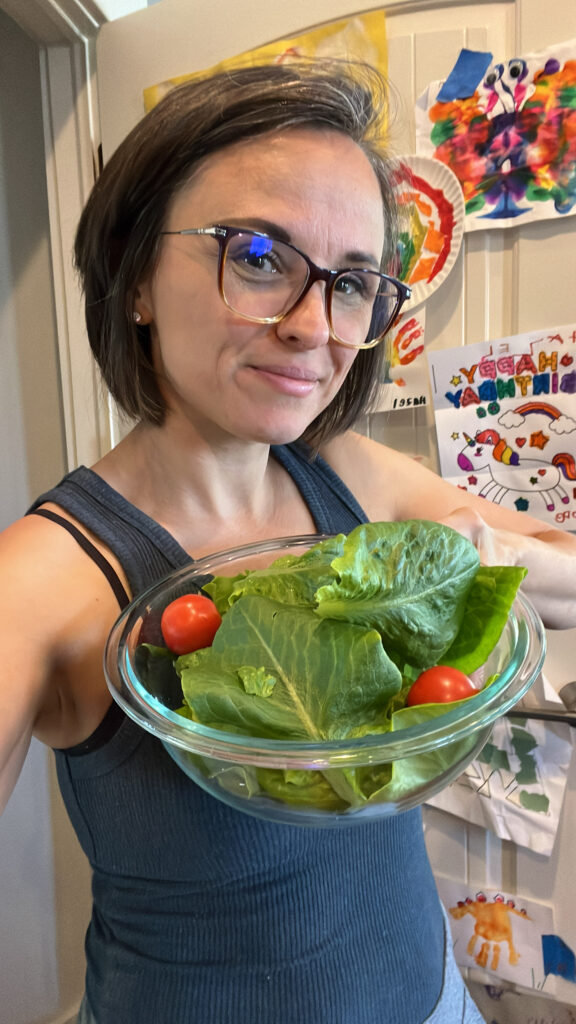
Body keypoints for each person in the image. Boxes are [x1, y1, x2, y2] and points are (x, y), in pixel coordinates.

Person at [1, 58, 575, 1024]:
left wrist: (485, 555)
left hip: (436, 997)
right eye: (259, 256)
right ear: (136, 277)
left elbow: (547, 562)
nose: (315, 327)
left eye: (352, 283)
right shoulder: (43, 580)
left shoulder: (345, 473)